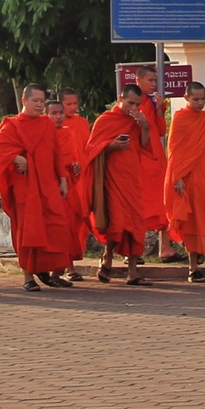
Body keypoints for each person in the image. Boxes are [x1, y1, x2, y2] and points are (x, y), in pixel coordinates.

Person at [0, 85, 74, 292]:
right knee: (27, 232)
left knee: (56, 228)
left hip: (48, 185)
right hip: (25, 187)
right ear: (24, 101)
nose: (39, 104)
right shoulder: (11, 125)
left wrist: (63, 179)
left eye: (41, 101)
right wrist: (16, 157)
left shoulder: (46, 124)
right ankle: (28, 276)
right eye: (35, 100)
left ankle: (48, 271)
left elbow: (56, 153)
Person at [85, 83, 152, 285]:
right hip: (112, 179)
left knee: (136, 223)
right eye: (130, 103)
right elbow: (91, 150)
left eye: (138, 104)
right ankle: (107, 258)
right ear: (120, 98)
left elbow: (145, 145)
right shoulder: (106, 120)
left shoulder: (136, 120)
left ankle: (133, 272)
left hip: (132, 178)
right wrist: (111, 146)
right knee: (117, 222)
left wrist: (145, 126)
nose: (134, 108)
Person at [164, 80, 205, 282]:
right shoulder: (180, 119)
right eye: (196, 99)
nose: (200, 103)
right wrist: (177, 177)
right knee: (191, 222)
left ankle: (200, 252)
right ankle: (192, 268)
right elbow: (174, 150)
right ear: (186, 98)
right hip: (187, 179)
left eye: (203, 99)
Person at [133, 65, 176, 262]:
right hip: (139, 161)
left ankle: (165, 248)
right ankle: (134, 249)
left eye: (154, 81)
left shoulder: (151, 102)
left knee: (163, 204)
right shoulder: (130, 103)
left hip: (156, 159)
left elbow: (160, 131)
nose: (153, 85)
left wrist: (159, 109)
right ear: (138, 80)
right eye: (149, 81)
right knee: (140, 206)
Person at [58, 90, 94, 278]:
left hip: (82, 179)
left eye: (75, 104)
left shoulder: (82, 123)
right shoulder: (54, 125)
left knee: (80, 222)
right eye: (68, 104)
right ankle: (68, 266)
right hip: (64, 181)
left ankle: (72, 260)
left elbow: (87, 149)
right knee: (66, 223)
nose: (73, 107)